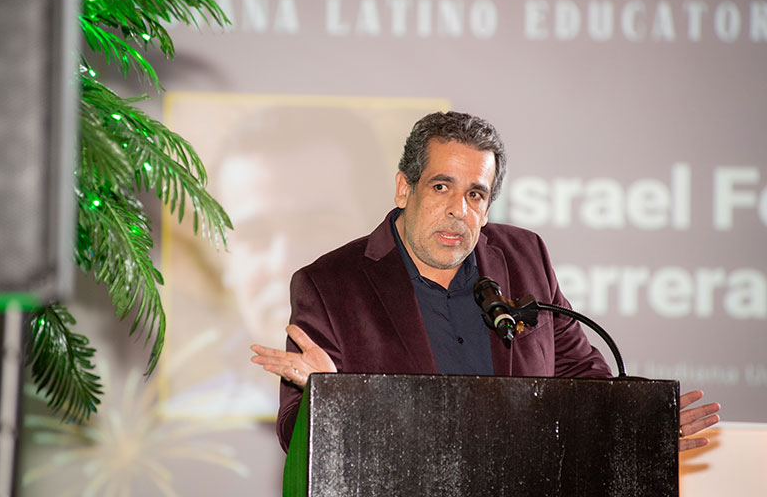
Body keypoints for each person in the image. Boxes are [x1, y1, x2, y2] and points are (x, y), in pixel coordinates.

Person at [250, 111, 721, 453]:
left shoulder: (524, 256)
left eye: (475, 193)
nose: (459, 209)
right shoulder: (330, 284)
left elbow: (582, 380)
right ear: (403, 188)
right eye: (441, 187)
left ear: (489, 205)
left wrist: (640, 423)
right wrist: (329, 396)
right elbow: (294, 433)